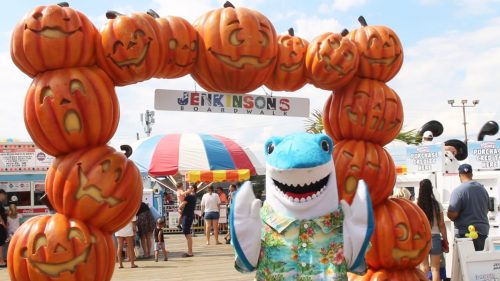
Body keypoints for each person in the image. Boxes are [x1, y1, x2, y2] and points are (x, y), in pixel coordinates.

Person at [447, 163, 490, 251]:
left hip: (466, 234)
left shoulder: (458, 191)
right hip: (483, 232)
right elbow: (487, 209)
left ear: (459, 175)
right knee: (479, 261)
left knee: (466, 263)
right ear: (472, 174)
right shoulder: (483, 189)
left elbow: (452, 214)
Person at [417, 179, 448, 281]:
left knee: (423, 268)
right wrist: (445, 239)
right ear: (431, 190)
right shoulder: (437, 205)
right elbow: (442, 224)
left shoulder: (416, 205)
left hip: (421, 239)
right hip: (435, 238)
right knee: (435, 269)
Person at [181, 184, 197, 257]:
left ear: (193, 189)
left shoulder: (189, 197)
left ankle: (190, 252)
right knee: (187, 233)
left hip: (187, 216)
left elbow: (181, 205)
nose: (188, 189)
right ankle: (190, 251)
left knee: (187, 233)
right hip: (189, 215)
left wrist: (180, 208)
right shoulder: (193, 197)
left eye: (189, 188)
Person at [0, 189, 7, 268]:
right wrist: (4, 224)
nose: (4, 197)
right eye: (4, 195)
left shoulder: (1, 204)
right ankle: (1, 261)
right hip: (1, 226)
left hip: (2, 225)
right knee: (0, 244)